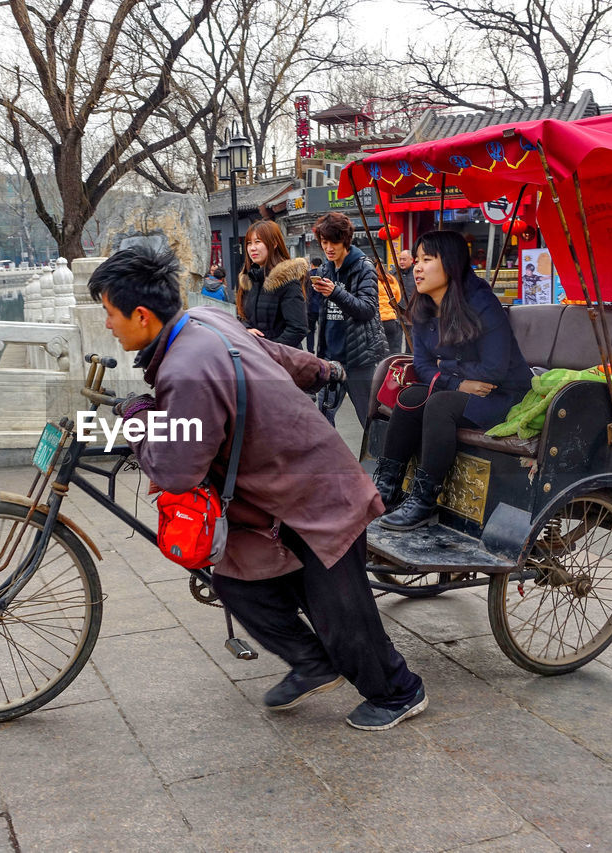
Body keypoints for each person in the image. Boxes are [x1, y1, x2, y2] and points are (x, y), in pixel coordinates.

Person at [88, 245, 427, 731]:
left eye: (109, 313)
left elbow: (178, 471)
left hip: (311, 490)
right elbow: (272, 353)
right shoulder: (204, 319)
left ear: (141, 315)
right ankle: (313, 663)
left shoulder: (187, 370)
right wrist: (321, 370)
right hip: (274, 491)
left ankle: (399, 692)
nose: (107, 324)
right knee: (233, 578)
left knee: (341, 612)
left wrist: (137, 417)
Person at [372, 231, 531, 529]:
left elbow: (493, 370)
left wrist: (444, 370)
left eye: (427, 260)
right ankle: (387, 487)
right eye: (416, 260)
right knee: (409, 397)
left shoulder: (482, 303)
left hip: (503, 397)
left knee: (439, 404)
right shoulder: (423, 305)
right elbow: (421, 363)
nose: (417, 267)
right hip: (463, 392)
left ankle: (424, 501)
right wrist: (456, 381)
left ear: (451, 264)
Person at [311, 211, 388, 428]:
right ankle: (331, 462)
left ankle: (379, 460)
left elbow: (367, 310)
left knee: (370, 419)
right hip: (331, 358)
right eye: (324, 242)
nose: (328, 248)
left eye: (334, 242)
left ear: (345, 239)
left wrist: (335, 292)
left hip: (360, 359)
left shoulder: (364, 267)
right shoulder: (326, 268)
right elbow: (322, 314)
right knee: (323, 421)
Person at [236, 221, 308, 347]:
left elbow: (297, 329)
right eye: (249, 243)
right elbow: (242, 316)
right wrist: (246, 329)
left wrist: (268, 350)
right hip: (255, 355)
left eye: (258, 242)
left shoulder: (287, 280)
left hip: (281, 360)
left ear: (274, 243)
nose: (252, 248)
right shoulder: (249, 279)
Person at [378, 265, 404, 354]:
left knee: (382, 349)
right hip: (391, 319)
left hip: (379, 320)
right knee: (393, 346)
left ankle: (384, 366)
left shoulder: (372, 280)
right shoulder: (392, 279)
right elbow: (398, 298)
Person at [305, 256, 324, 351]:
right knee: (322, 331)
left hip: (310, 308)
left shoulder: (307, 276)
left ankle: (310, 350)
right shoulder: (324, 274)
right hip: (321, 307)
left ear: (311, 264)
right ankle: (321, 350)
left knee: (310, 331)